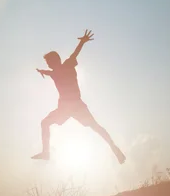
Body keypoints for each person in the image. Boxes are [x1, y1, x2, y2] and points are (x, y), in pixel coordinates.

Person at [32, 29, 126, 164]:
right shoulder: (54, 72)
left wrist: (82, 42)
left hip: (72, 105)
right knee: (46, 123)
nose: (48, 65)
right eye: (47, 64)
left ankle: (114, 148)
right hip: (69, 106)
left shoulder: (67, 64)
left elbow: (75, 53)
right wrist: (42, 71)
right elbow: (49, 72)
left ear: (56, 60)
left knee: (95, 127)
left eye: (49, 62)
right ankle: (46, 152)